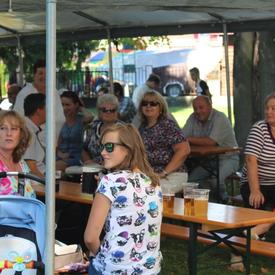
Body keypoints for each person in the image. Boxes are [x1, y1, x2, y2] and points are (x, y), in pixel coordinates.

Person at [84, 123, 162, 275]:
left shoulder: (110, 181)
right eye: (102, 147)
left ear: (128, 149)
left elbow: (90, 238)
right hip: (151, 270)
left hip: (113, 269)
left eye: (110, 147)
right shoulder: (154, 181)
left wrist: (100, 255)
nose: (103, 152)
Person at [182, 95, 239, 202]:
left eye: (201, 107)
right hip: (208, 159)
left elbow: (211, 142)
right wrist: (187, 138)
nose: (198, 111)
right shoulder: (192, 117)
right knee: (191, 181)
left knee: (216, 182)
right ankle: (209, 205)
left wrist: (189, 138)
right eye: (195, 108)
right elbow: (181, 137)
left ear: (210, 106)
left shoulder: (220, 118)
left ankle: (224, 201)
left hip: (228, 157)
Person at [240, 92, 275, 238]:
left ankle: (263, 227)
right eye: (267, 108)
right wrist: (255, 190)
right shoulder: (259, 129)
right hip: (254, 183)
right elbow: (250, 159)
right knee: (256, 206)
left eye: (273, 108)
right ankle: (257, 231)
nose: (268, 112)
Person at [139, 91, 190, 178]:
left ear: (161, 107)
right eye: (145, 103)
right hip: (150, 175)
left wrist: (164, 172)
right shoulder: (142, 127)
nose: (148, 106)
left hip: (171, 175)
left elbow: (184, 150)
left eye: (153, 103)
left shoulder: (167, 125)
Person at [13, 59, 65, 142]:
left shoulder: (54, 92)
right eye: (40, 73)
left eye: (47, 73)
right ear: (34, 75)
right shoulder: (25, 94)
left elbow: (60, 118)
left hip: (53, 145)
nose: (44, 76)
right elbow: (17, 120)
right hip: (31, 144)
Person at [0, 110, 35, 197]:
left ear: (21, 134)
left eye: (14, 129)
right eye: (3, 128)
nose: (9, 133)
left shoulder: (21, 163)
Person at [56, 91, 94, 171]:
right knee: (57, 165)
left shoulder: (81, 119)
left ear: (76, 105)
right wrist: (60, 154)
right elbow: (56, 142)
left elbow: (90, 116)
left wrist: (80, 107)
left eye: (68, 105)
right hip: (61, 156)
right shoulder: (59, 120)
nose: (64, 108)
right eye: (62, 105)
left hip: (78, 156)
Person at [82, 94, 122, 165]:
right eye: (104, 110)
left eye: (112, 110)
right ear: (98, 111)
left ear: (117, 112)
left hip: (116, 169)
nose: (108, 112)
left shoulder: (124, 129)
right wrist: (88, 162)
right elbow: (83, 149)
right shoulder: (92, 127)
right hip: (93, 168)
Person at [23, 93, 46, 178]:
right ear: (39, 110)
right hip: (37, 182)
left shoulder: (30, 128)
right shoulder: (27, 131)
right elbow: (30, 167)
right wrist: (49, 184)